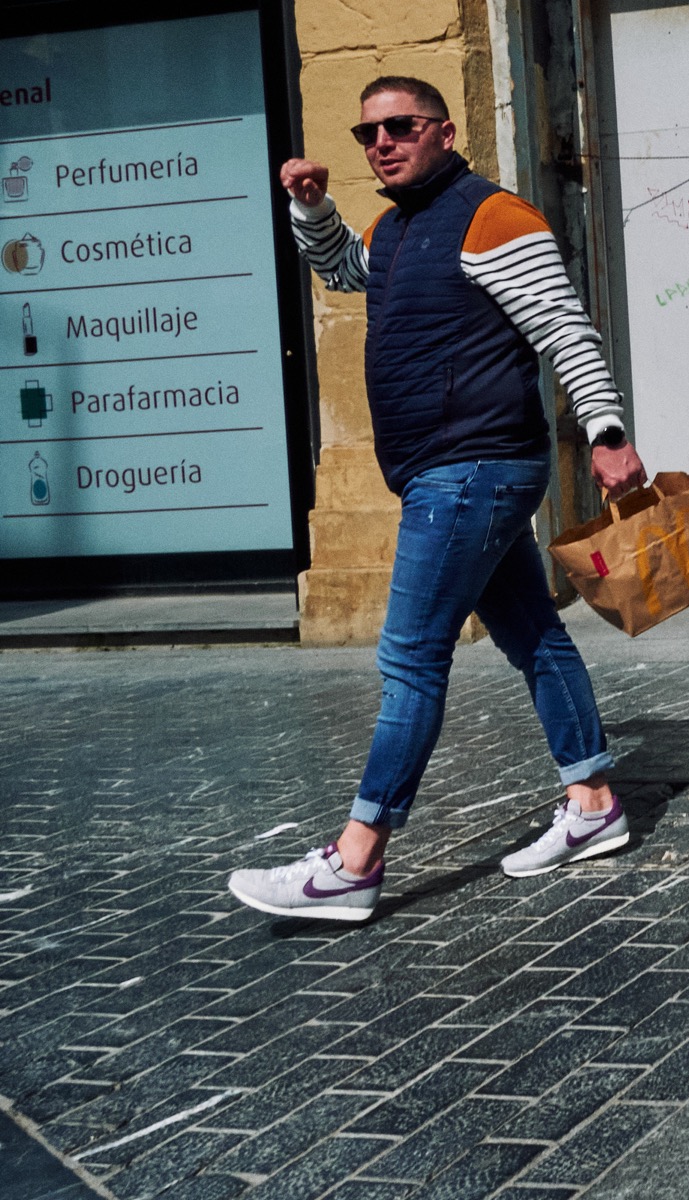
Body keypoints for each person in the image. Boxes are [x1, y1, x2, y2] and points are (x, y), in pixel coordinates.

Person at [227, 76, 644, 923]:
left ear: (445, 133)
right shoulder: (393, 226)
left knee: (411, 659)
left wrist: (605, 430)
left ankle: (356, 860)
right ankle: (595, 803)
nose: (382, 143)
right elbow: (346, 270)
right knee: (534, 635)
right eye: (368, 132)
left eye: (401, 126)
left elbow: (564, 326)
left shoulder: (494, 217)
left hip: (472, 467)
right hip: (448, 472)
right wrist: (313, 208)